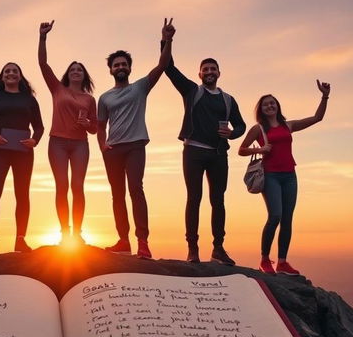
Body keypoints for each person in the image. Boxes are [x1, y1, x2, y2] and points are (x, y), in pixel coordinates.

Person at [97, 17, 175, 260]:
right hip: (113, 149)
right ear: (110, 70)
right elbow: (100, 126)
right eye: (116, 65)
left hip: (135, 145)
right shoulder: (105, 98)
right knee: (117, 194)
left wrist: (166, 40)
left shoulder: (140, 87)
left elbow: (162, 65)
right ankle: (123, 240)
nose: (120, 67)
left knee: (135, 189)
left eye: (124, 64)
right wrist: (102, 144)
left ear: (129, 68)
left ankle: (143, 241)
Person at [238, 81, 331, 276]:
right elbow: (241, 150)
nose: (270, 106)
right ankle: (265, 259)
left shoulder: (288, 125)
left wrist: (324, 96)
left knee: (287, 219)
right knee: (275, 216)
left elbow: (317, 118)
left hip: (290, 175)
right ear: (261, 110)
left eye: (273, 103)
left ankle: (282, 262)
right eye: (266, 104)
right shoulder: (258, 129)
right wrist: (260, 149)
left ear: (277, 106)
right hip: (270, 175)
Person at [164, 45, 246, 265]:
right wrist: (166, 41)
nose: (209, 72)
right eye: (205, 69)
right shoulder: (192, 91)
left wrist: (232, 133)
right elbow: (169, 68)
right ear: (199, 74)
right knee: (194, 199)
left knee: (218, 201)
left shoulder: (228, 99)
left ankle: (218, 249)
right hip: (194, 151)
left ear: (219, 73)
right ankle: (193, 249)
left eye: (213, 69)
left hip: (219, 153)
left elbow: (241, 125)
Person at [37, 20, 97, 244]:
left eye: (79, 70)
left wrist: (87, 123)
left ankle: (78, 234)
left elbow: (95, 128)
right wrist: (43, 37)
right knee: (62, 186)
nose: (75, 72)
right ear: (67, 74)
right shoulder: (57, 89)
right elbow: (43, 64)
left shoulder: (90, 99)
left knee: (78, 186)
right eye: (72, 69)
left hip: (80, 144)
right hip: (58, 143)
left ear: (84, 75)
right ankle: (64, 233)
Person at [0, 63, 44, 258]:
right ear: (2, 76)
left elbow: (39, 127)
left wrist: (34, 140)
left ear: (20, 76)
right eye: (7, 71)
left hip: (23, 151)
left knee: (22, 193)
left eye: (15, 71)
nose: (11, 73)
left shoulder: (29, 99)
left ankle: (21, 238)